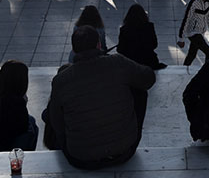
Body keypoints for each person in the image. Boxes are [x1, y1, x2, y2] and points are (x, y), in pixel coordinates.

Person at [46, 25, 156, 169]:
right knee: (139, 89)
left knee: (56, 106)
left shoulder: (61, 80)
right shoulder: (117, 63)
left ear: (73, 50)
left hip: (80, 157)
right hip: (124, 150)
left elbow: (56, 119)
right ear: (99, 44)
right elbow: (148, 78)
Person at [178, 0, 209, 66]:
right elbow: (186, 19)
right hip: (193, 32)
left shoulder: (208, 2)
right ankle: (207, 72)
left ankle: (184, 69)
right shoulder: (193, 2)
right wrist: (181, 38)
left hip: (200, 31)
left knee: (192, 54)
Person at [116, 4, 166, 70]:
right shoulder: (149, 27)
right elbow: (154, 44)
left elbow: (120, 49)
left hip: (131, 63)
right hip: (149, 61)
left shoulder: (124, 29)